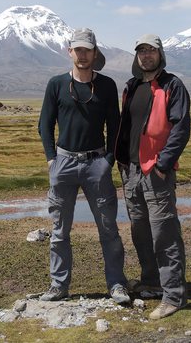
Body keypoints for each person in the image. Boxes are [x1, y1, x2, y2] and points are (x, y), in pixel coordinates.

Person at [37, 28, 130, 304]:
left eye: (87, 50)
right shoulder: (56, 84)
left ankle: (116, 285)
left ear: (94, 52)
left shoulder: (107, 85)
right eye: (77, 50)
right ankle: (59, 285)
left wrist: (108, 160)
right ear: (69, 51)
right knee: (59, 229)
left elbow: (116, 126)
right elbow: (45, 124)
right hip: (63, 164)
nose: (82, 55)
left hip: (96, 164)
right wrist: (52, 159)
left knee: (108, 228)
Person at [115, 34, 191, 319]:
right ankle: (151, 282)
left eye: (151, 50)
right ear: (136, 57)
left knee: (165, 232)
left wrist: (163, 164)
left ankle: (174, 296)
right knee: (141, 231)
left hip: (156, 170)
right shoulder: (132, 87)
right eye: (141, 51)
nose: (146, 55)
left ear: (161, 54)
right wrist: (122, 162)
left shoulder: (173, 85)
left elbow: (181, 128)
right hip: (131, 171)